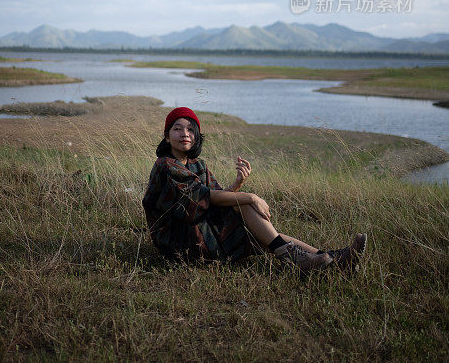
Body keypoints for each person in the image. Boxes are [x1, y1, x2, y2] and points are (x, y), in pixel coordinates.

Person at [142, 107, 367, 273]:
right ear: (166, 135)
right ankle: (307, 259)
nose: (185, 133)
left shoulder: (197, 165)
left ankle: (329, 259)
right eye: (177, 128)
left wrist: (238, 184)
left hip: (200, 229)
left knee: (260, 233)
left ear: (197, 136)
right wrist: (249, 196)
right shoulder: (165, 165)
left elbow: (217, 198)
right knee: (246, 207)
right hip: (179, 242)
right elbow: (203, 198)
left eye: (191, 129)